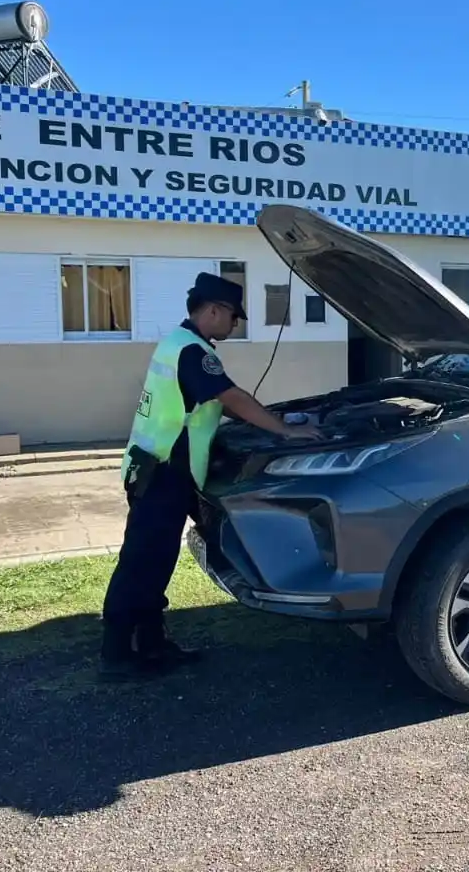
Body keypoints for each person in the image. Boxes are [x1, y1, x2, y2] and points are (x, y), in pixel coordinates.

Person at [99, 271, 321, 680]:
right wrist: (284, 429)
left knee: (155, 559)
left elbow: (219, 403)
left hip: (155, 466)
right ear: (214, 310)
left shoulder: (177, 345)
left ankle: (151, 645)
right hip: (164, 471)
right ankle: (118, 654)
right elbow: (231, 396)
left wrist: (266, 419)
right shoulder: (194, 352)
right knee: (142, 561)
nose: (235, 325)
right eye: (234, 317)